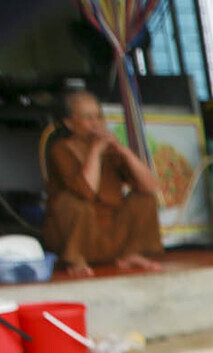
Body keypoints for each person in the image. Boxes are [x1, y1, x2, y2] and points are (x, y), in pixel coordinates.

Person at [41, 89, 163, 277]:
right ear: (70, 123)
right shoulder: (61, 149)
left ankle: (129, 254)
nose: (96, 123)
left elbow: (150, 186)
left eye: (99, 116)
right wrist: (95, 151)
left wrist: (124, 152)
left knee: (144, 199)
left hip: (111, 232)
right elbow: (86, 192)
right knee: (76, 204)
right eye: (87, 117)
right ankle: (75, 259)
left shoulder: (112, 152)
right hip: (80, 232)